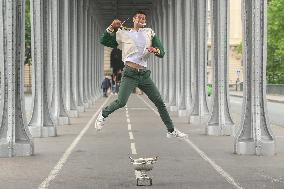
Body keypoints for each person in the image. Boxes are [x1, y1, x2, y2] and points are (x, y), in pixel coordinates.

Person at [95, 11, 188, 139]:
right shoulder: (124, 34)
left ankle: (171, 131)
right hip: (129, 74)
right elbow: (104, 40)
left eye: (144, 18)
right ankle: (102, 115)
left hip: (144, 75)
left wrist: (155, 50)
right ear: (133, 19)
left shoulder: (149, 33)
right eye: (139, 17)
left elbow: (162, 52)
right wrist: (111, 26)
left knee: (159, 102)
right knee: (121, 102)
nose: (141, 19)